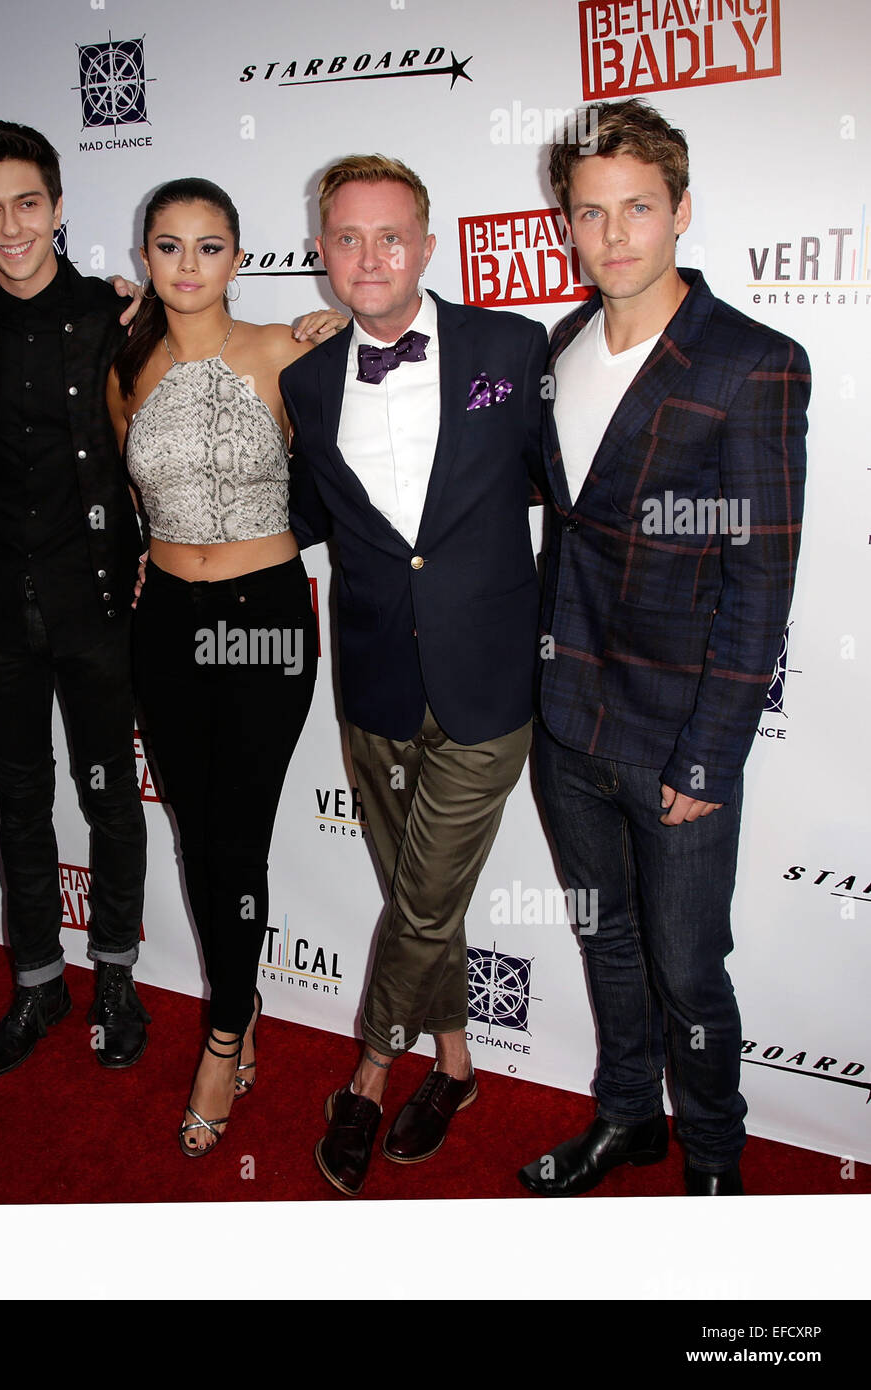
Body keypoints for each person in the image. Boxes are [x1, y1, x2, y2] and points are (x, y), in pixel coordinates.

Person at [519, 99, 809, 1198]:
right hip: (567, 723)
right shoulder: (558, 348)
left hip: (677, 741)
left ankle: (717, 1167)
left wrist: (708, 756)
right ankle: (629, 1119)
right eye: (590, 213)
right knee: (607, 945)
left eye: (638, 207)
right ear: (569, 226)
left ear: (681, 210)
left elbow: (762, 579)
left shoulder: (752, 363)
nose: (615, 234)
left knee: (690, 971)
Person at [281, 155, 547, 1196]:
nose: (371, 256)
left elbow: (564, 484)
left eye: (392, 236)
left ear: (429, 247)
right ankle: (458, 1064)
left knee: (424, 905)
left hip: (487, 685)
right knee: (412, 892)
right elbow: (305, 519)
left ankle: (369, 1073)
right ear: (321, 257)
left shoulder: (512, 346)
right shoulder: (304, 378)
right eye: (348, 238)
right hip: (378, 682)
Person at [108, 177, 341, 1155]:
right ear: (147, 259)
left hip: (264, 622)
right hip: (165, 621)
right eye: (170, 246)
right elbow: (131, 499)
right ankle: (238, 1009)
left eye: (210, 247)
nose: (189, 266)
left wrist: (345, 328)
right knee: (201, 840)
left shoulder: (288, 351)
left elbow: (346, 472)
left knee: (235, 840)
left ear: (239, 260)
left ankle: (222, 1031)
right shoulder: (125, 369)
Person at [0, 120, 152, 1076]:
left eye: (28, 204)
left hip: (97, 604)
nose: (10, 226)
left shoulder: (118, 316)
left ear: (60, 209)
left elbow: (213, 363)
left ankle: (114, 978)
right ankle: (35, 985)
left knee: (109, 797)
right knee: (18, 803)